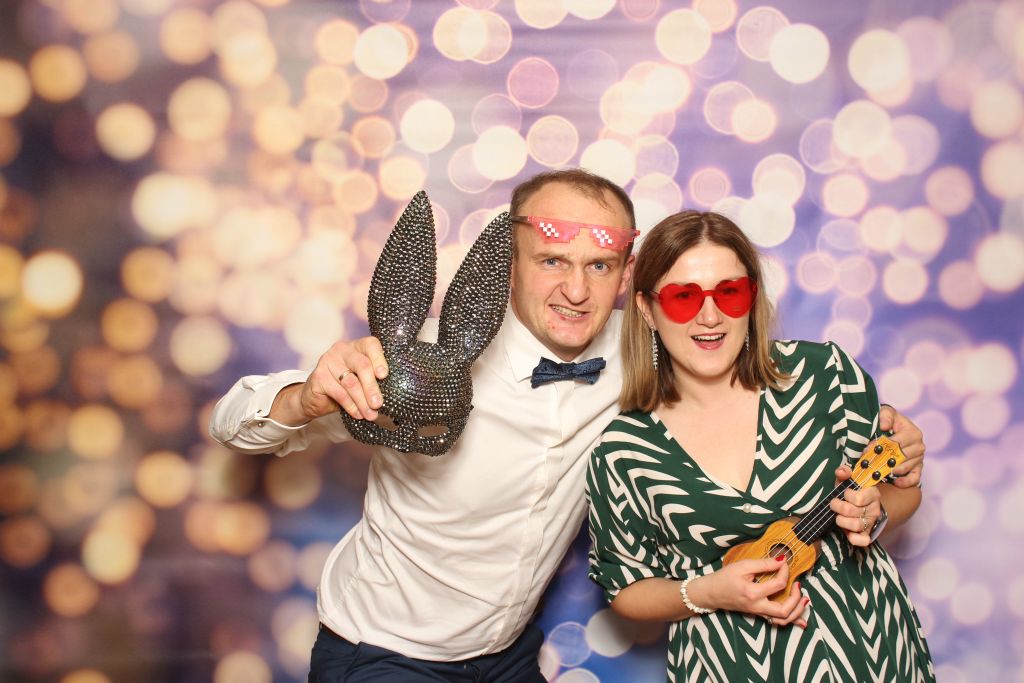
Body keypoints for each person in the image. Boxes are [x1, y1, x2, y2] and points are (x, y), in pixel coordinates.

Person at [209, 170, 926, 682]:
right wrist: (305, 398)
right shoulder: (425, 364)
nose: (576, 290)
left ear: (627, 280)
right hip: (384, 651)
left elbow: (751, 374)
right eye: (552, 260)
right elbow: (231, 423)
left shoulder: (651, 351)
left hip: (509, 654)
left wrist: (897, 447)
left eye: (599, 265)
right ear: (507, 265)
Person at [586, 210, 934, 682]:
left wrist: (876, 510)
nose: (710, 316)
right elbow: (625, 589)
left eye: (729, 292)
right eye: (684, 297)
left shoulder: (823, 375)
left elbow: (904, 488)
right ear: (647, 308)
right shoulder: (624, 451)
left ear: (751, 297)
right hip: (730, 664)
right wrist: (709, 592)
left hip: (871, 647)